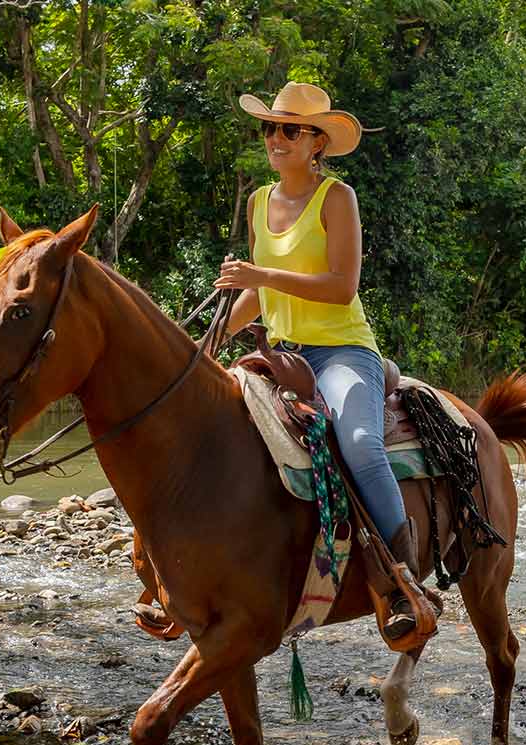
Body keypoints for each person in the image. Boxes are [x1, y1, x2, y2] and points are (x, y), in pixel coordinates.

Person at [131, 81, 421, 642]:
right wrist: (209, 343)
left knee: (359, 442)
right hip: (279, 353)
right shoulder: (259, 201)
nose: (276, 138)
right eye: (270, 128)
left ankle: (398, 578)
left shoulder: (338, 198)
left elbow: (341, 286)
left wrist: (258, 275)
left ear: (317, 142)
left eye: (290, 129)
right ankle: (183, 578)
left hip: (339, 351)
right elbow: (258, 296)